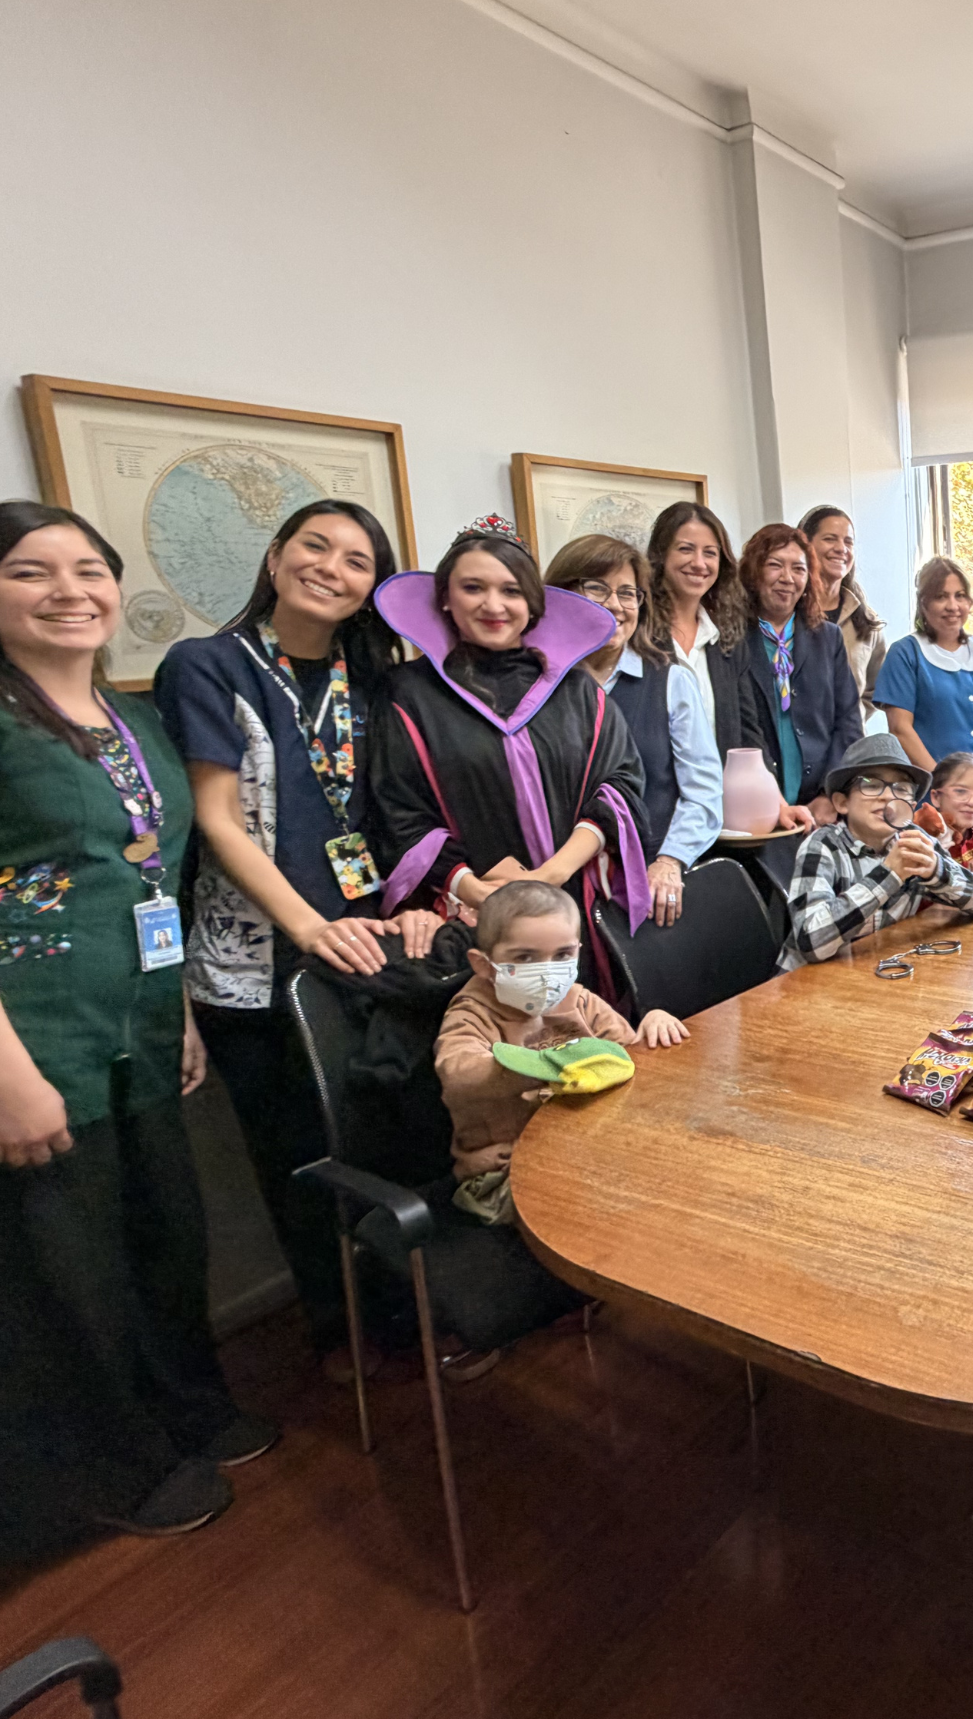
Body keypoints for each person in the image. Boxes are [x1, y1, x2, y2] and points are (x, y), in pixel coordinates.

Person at [0, 501, 273, 1555]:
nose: (70, 590)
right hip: (15, 1052)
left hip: (132, 1031)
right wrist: (3, 1077)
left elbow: (143, 878)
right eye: (29, 572)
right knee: (58, 1285)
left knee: (162, 1244)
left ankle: (185, 1411)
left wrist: (175, 1012)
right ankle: (110, 1471)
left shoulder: (127, 719)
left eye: (89, 569)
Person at [153, 500, 439, 1373]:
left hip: (367, 950)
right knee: (301, 1157)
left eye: (357, 561)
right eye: (314, 546)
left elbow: (392, 815)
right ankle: (339, 1331)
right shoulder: (206, 667)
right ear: (275, 559)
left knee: (393, 1136)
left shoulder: (372, 679)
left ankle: (415, 1314)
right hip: (260, 964)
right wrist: (311, 926)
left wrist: (416, 901)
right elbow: (217, 819)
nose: (331, 567)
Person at [363, 517, 647, 951]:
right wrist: (480, 892)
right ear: (444, 598)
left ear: (533, 603)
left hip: (574, 908)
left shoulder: (576, 690)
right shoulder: (409, 695)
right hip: (469, 917)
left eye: (511, 591)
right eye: (473, 588)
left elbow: (620, 788)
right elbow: (399, 814)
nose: (493, 605)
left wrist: (548, 877)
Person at [435, 879, 686, 1226]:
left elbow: (626, 1061)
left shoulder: (580, 1001)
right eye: (525, 957)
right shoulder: (472, 1013)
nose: (547, 971)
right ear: (483, 964)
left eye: (563, 955)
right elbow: (458, 1074)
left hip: (585, 1149)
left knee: (671, 1175)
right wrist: (532, 1067)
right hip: (503, 1175)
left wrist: (652, 1025)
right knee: (614, 1209)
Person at [549, 533, 721, 928]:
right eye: (596, 588)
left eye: (628, 593)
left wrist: (670, 860)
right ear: (560, 595)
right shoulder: (539, 687)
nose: (615, 605)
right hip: (558, 888)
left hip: (645, 882)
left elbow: (703, 792)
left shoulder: (670, 680)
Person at [779, 734, 973, 970]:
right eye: (871, 785)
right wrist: (890, 874)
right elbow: (811, 942)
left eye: (902, 789)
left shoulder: (915, 841)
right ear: (842, 803)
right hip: (801, 986)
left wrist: (937, 870)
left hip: (866, 972)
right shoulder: (822, 845)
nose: (888, 796)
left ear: (911, 805)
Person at [732, 522, 862, 831]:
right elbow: (734, 727)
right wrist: (770, 798)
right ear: (753, 572)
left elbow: (848, 721)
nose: (787, 578)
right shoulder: (731, 639)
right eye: (774, 565)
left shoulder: (827, 637)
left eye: (798, 569)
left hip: (820, 802)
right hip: (756, 801)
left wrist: (831, 793)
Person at [874, 556, 973, 810]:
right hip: (933, 798)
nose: (952, 606)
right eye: (941, 596)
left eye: (960, 596)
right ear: (924, 603)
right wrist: (945, 789)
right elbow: (900, 729)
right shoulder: (906, 653)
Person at [644, 501, 763, 766]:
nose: (699, 563)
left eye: (710, 553)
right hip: (653, 800)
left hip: (720, 798)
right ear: (661, 555)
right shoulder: (638, 634)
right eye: (686, 549)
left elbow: (747, 733)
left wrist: (772, 798)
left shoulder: (728, 640)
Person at [799, 504, 888, 716]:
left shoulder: (866, 620)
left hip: (850, 745)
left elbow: (876, 690)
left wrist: (853, 720)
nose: (841, 548)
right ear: (805, 544)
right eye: (830, 539)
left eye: (848, 542)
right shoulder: (786, 613)